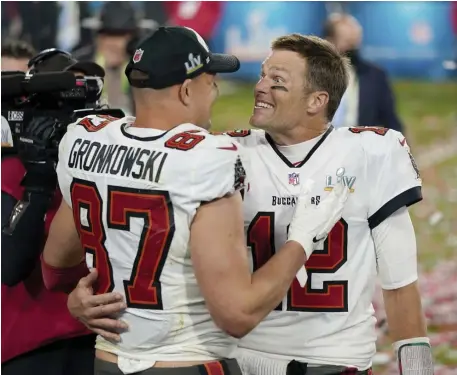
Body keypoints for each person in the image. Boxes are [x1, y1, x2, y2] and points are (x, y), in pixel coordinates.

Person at [69, 33, 433, 375]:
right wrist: (82, 299)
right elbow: (143, 241)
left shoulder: (370, 153)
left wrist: (418, 370)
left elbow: (400, 285)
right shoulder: (220, 154)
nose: (260, 87)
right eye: (262, 76)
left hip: (336, 360)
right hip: (241, 358)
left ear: (317, 100)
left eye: (277, 81)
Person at [1, 50, 105, 375]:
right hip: (30, 346)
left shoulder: (102, 166)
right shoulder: (9, 172)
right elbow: (10, 264)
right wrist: (39, 182)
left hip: (98, 336)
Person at [323, 14, 404, 133]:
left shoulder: (375, 77)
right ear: (329, 41)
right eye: (347, 43)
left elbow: (391, 122)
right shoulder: (312, 74)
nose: (353, 49)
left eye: (355, 43)